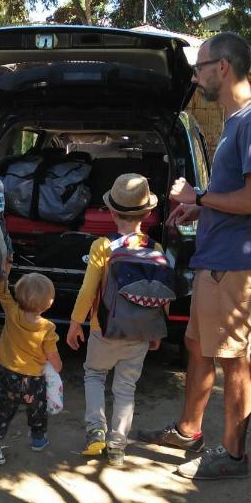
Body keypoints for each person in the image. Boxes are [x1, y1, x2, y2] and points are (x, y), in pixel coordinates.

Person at [140, 31, 251, 481]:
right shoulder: (239, 120)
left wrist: (198, 192)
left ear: (222, 67)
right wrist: (201, 205)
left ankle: (234, 455)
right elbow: (235, 194)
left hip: (232, 264)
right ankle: (189, 430)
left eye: (200, 66)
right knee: (198, 347)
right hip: (215, 259)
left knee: (232, 358)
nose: (196, 75)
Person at [66, 174, 167, 468]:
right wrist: (156, 329)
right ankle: (117, 446)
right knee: (126, 388)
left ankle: (95, 430)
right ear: (148, 214)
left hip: (103, 329)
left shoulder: (103, 247)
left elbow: (87, 291)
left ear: (110, 212)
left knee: (94, 375)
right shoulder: (156, 249)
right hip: (139, 334)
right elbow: (161, 296)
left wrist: (75, 323)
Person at [0, 265, 61, 465]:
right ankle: (38, 438)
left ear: (18, 295)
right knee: (37, 410)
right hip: (33, 379)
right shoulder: (47, 328)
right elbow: (52, 355)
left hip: (7, 374)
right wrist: (57, 368)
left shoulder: (11, 311)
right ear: (48, 303)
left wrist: (4, 274)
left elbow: (1, 292)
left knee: (0, 410)